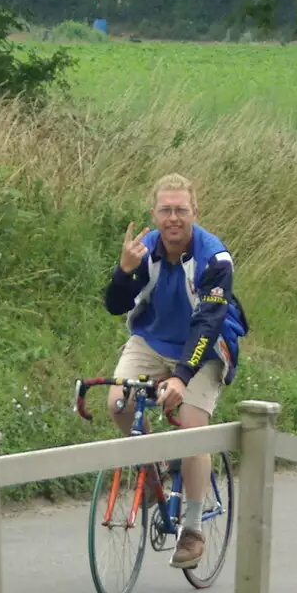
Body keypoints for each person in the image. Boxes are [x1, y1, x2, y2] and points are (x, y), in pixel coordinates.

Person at [103, 173, 248, 569]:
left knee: (191, 427)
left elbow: (208, 321)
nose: (173, 218)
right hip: (151, 340)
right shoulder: (143, 249)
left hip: (205, 347)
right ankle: (153, 478)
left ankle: (193, 525)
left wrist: (181, 377)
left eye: (180, 210)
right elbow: (115, 306)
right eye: (165, 210)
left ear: (194, 213)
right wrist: (123, 271)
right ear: (154, 212)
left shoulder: (214, 258)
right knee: (118, 403)